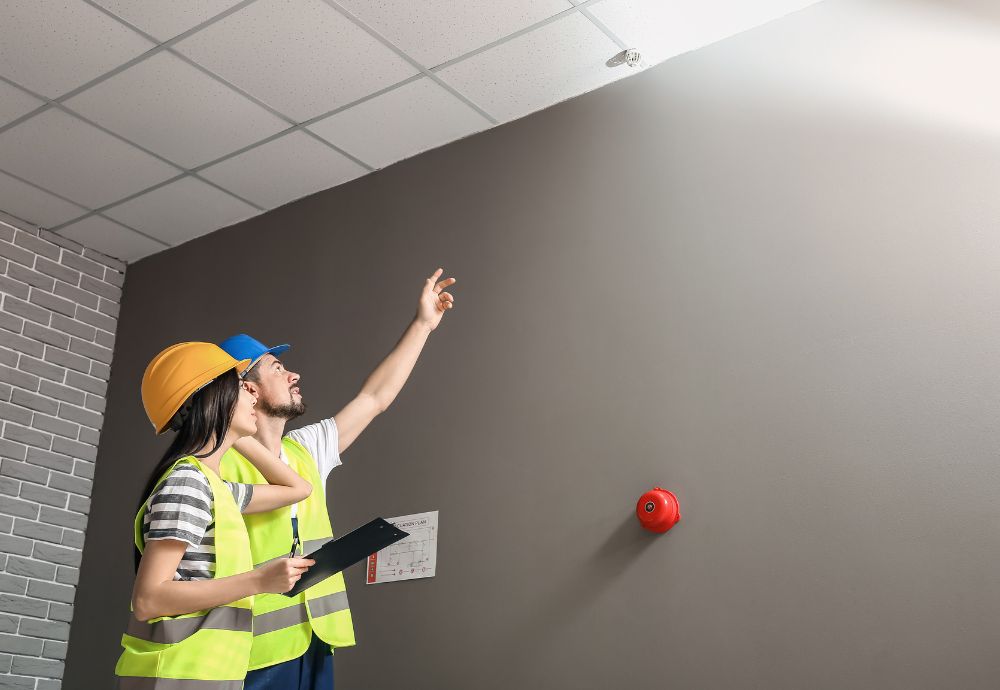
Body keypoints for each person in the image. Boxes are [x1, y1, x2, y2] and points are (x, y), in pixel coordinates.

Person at [219, 268, 456, 689]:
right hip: (252, 652)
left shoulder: (304, 449)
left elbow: (374, 398)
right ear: (247, 388)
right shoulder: (216, 465)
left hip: (314, 640)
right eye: (277, 368)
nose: (293, 375)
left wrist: (423, 325)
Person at [116, 342, 319, 689]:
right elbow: (148, 599)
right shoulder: (188, 484)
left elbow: (298, 489)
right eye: (241, 386)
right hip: (179, 676)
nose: (252, 392)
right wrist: (259, 581)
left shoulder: (215, 488)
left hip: (209, 675)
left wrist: (230, 432)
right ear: (215, 398)